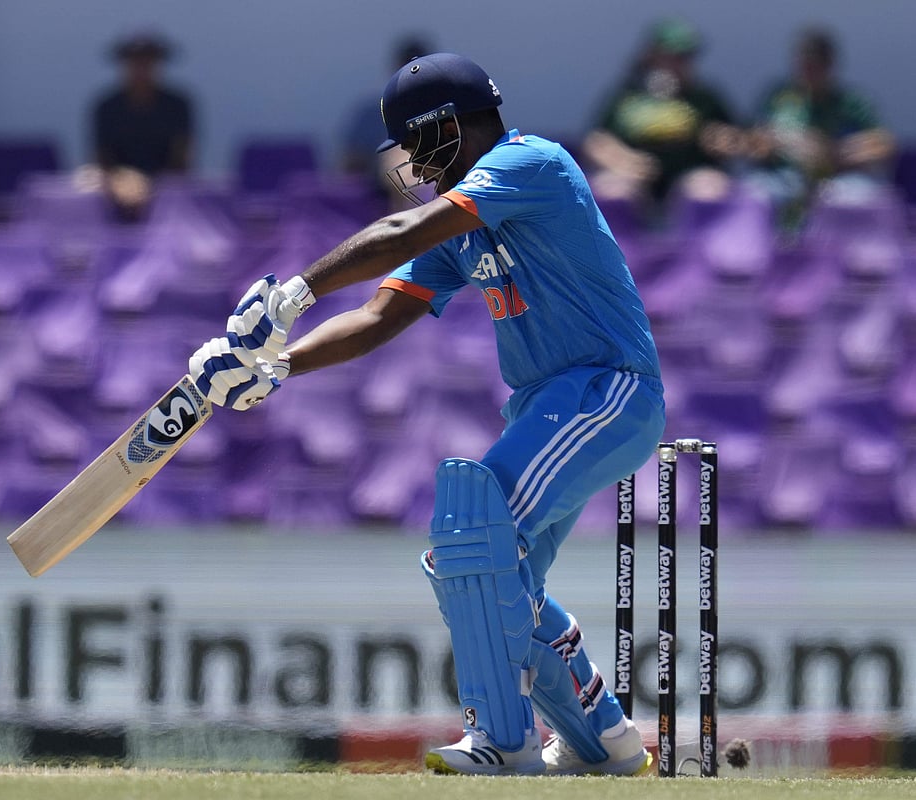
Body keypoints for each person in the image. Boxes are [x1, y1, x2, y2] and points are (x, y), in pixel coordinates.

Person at [189, 53, 664, 776]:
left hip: (606, 388)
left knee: (473, 532)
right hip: (547, 405)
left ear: (451, 125)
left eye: (416, 140)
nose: (411, 159)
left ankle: (503, 742)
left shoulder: (530, 163)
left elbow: (403, 232)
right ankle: (605, 742)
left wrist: (292, 295)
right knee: (492, 572)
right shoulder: (464, 226)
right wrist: (278, 368)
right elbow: (380, 315)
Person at [583, 17, 741, 217]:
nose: (676, 64)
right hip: (636, 180)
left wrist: (723, 142)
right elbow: (596, 142)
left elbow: (735, 139)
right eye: (670, 57)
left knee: (708, 189)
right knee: (611, 189)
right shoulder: (627, 96)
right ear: (651, 56)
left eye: (684, 58)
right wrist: (622, 161)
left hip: (690, 176)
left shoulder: (703, 98)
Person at [744, 27, 895, 221]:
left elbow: (885, 145)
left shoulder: (851, 102)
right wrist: (786, 143)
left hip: (838, 181)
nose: (808, 72)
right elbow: (752, 140)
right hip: (785, 178)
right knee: (752, 192)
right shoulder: (778, 97)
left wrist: (839, 151)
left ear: (830, 65)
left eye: (815, 66)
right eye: (803, 65)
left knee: (864, 197)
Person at [89, 31, 195, 220]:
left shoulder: (178, 105)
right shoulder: (106, 107)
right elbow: (102, 159)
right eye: (135, 61)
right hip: (116, 187)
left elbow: (182, 160)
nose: (141, 67)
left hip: (167, 190)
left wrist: (151, 186)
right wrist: (120, 181)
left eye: (148, 61)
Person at [339, 34, 433, 209]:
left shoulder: (448, 109)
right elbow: (350, 165)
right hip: (385, 190)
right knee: (401, 160)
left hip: (440, 184)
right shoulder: (372, 114)